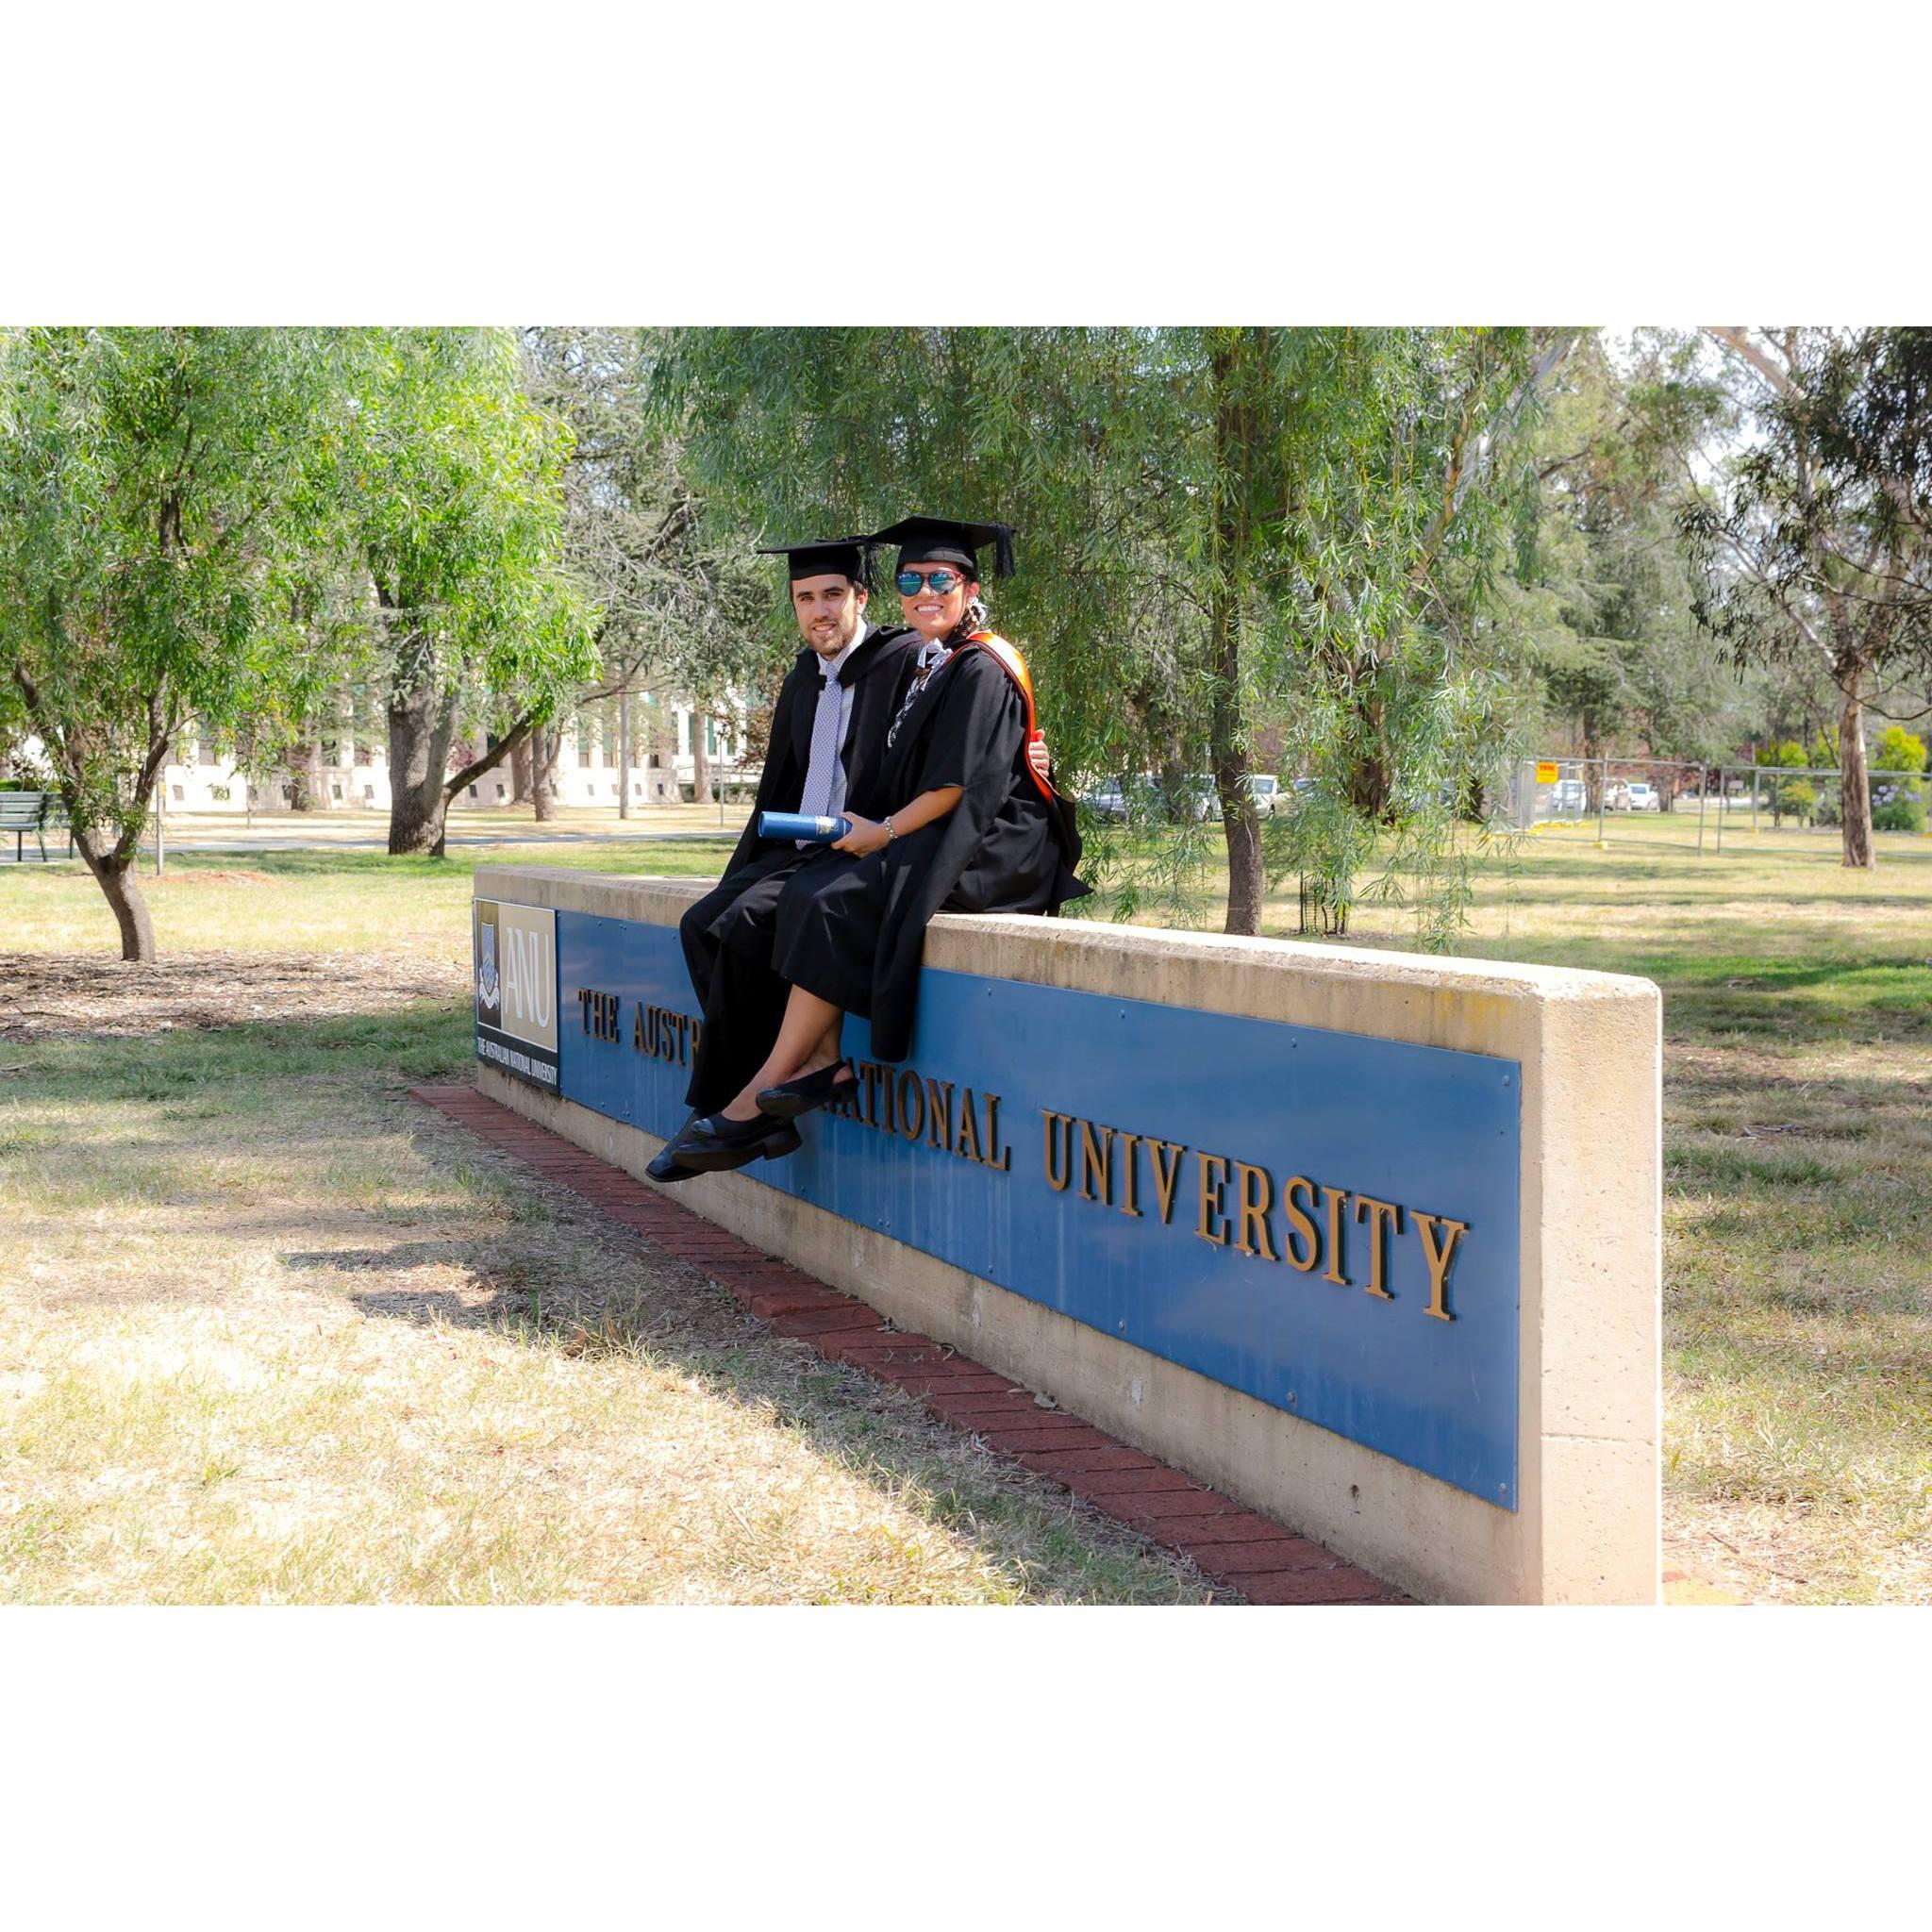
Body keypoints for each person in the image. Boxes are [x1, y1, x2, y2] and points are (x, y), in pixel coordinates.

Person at [671, 515, 1087, 1173]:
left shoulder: (972, 664)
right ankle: (771, 1087)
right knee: (727, 919)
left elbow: (957, 784)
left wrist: (881, 832)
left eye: (939, 579)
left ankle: (768, 1090)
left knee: (823, 901)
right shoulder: (935, 661)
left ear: (969, 585)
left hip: (989, 847)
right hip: (936, 827)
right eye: (911, 579)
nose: (924, 590)